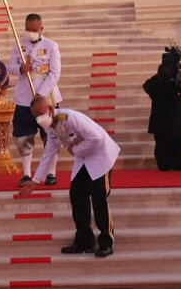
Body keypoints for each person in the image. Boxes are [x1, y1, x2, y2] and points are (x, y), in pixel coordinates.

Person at [15, 94, 120, 259]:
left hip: (101, 155)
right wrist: (35, 181)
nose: (40, 119)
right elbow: (50, 150)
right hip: (84, 159)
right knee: (77, 194)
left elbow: (96, 138)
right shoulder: (50, 127)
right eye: (36, 117)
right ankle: (84, 240)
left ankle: (107, 241)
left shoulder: (70, 117)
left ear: (50, 109)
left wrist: (75, 151)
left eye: (42, 114)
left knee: (99, 197)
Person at [6, 13, 62, 186]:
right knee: (23, 135)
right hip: (24, 97)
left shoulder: (51, 46)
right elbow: (10, 67)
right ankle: (27, 173)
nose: (31, 33)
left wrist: (42, 95)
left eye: (34, 30)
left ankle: (51, 173)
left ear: (41, 29)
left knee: (50, 135)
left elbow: (55, 73)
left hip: (46, 97)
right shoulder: (19, 45)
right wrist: (21, 68)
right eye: (28, 29)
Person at [144, 46, 181, 171]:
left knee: (176, 157)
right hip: (163, 120)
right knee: (164, 162)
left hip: (173, 120)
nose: (167, 69)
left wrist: (179, 81)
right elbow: (148, 87)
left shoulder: (175, 80)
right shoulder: (156, 81)